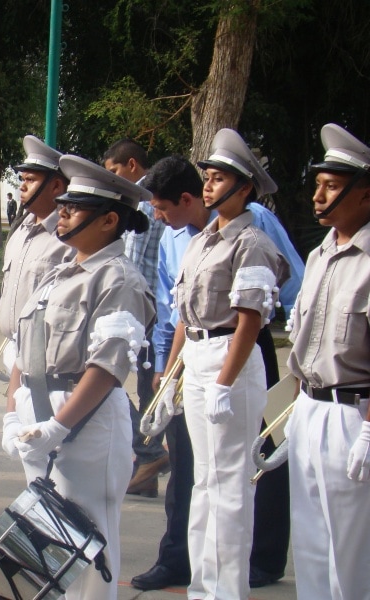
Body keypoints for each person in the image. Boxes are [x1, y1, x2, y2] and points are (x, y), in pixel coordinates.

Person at [133, 155, 303, 592]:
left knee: (231, 485)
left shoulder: (252, 238)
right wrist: (170, 377)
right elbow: (184, 317)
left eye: (219, 179)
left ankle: (228, 588)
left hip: (234, 355)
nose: (209, 187)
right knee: (204, 481)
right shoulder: (199, 241)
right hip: (199, 353)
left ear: (245, 188)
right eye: (207, 178)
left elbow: (250, 318)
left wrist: (225, 382)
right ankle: (202, 585)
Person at [2, 154, 155, 599]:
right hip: (38, 418)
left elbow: (107, 367)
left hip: (84, 426)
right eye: (64, 202)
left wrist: (58, 426)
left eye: (75, 206)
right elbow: (22, 348)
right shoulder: (58, 273)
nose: (62, 211)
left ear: (109, 219)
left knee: (88, 542)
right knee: (48, 538)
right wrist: (12, 413)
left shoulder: (118, 279)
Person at [286, 124, 370, 600]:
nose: (319, 196)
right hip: (312, 409)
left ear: (366, 194)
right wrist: (296, 411)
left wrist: (368, 432)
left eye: (332, 187)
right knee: (313, 546)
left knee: (350, 553)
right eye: (317, 185)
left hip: (353, 416)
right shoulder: (320, 254)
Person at [103, 138, 168, 497]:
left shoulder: (143, 197)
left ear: (131, 166)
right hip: (147, 311)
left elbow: (138, 265)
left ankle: (149, 452)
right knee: (143, 390)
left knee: (111, 380)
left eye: (114, 171)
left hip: (144, 312)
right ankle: (147, 465)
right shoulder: (142, 198)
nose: (113, 179)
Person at [0, 135, 74, 348]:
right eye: (23, 180)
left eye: (30, 180)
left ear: (56, 186)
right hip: (13, 347)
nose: (22, 186)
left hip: (46, 354)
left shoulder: (69, 238)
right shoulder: (20, 231)